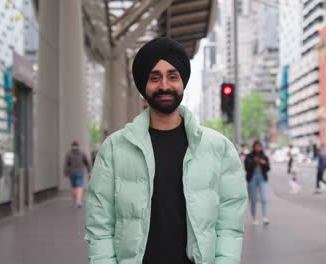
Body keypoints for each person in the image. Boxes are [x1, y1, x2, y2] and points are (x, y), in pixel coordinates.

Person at [85, 37, 248, 264]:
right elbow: (99, 225)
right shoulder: (114, 148)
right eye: (155, 78)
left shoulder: (218, 148)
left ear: (183, 82)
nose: (164, 86)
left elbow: (230, 224)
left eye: (173, 76)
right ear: (144, 85)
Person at [245, 141, 271, 226]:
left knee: (264, 198)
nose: (258, 148)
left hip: (262, 178)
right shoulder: (249, 156)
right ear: (253, 147)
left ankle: (265, 217)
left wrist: (264, 163)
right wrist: (254, 161)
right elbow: (246, 167)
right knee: (253, 199)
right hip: (252, 178)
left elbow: (268, 168)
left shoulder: (264, 156)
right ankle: (254, 217)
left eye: (259, 146)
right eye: (256, 146)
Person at [64, 141, 91, 208]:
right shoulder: (82, 153)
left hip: (72, 173)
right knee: (79, 186)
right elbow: (87, 162)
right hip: (80, 172)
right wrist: (89, 170)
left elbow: (66, 164)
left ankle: (75, 200)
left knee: (73, 187)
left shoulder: (69, 154)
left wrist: (66, 173)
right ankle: (78, 200)